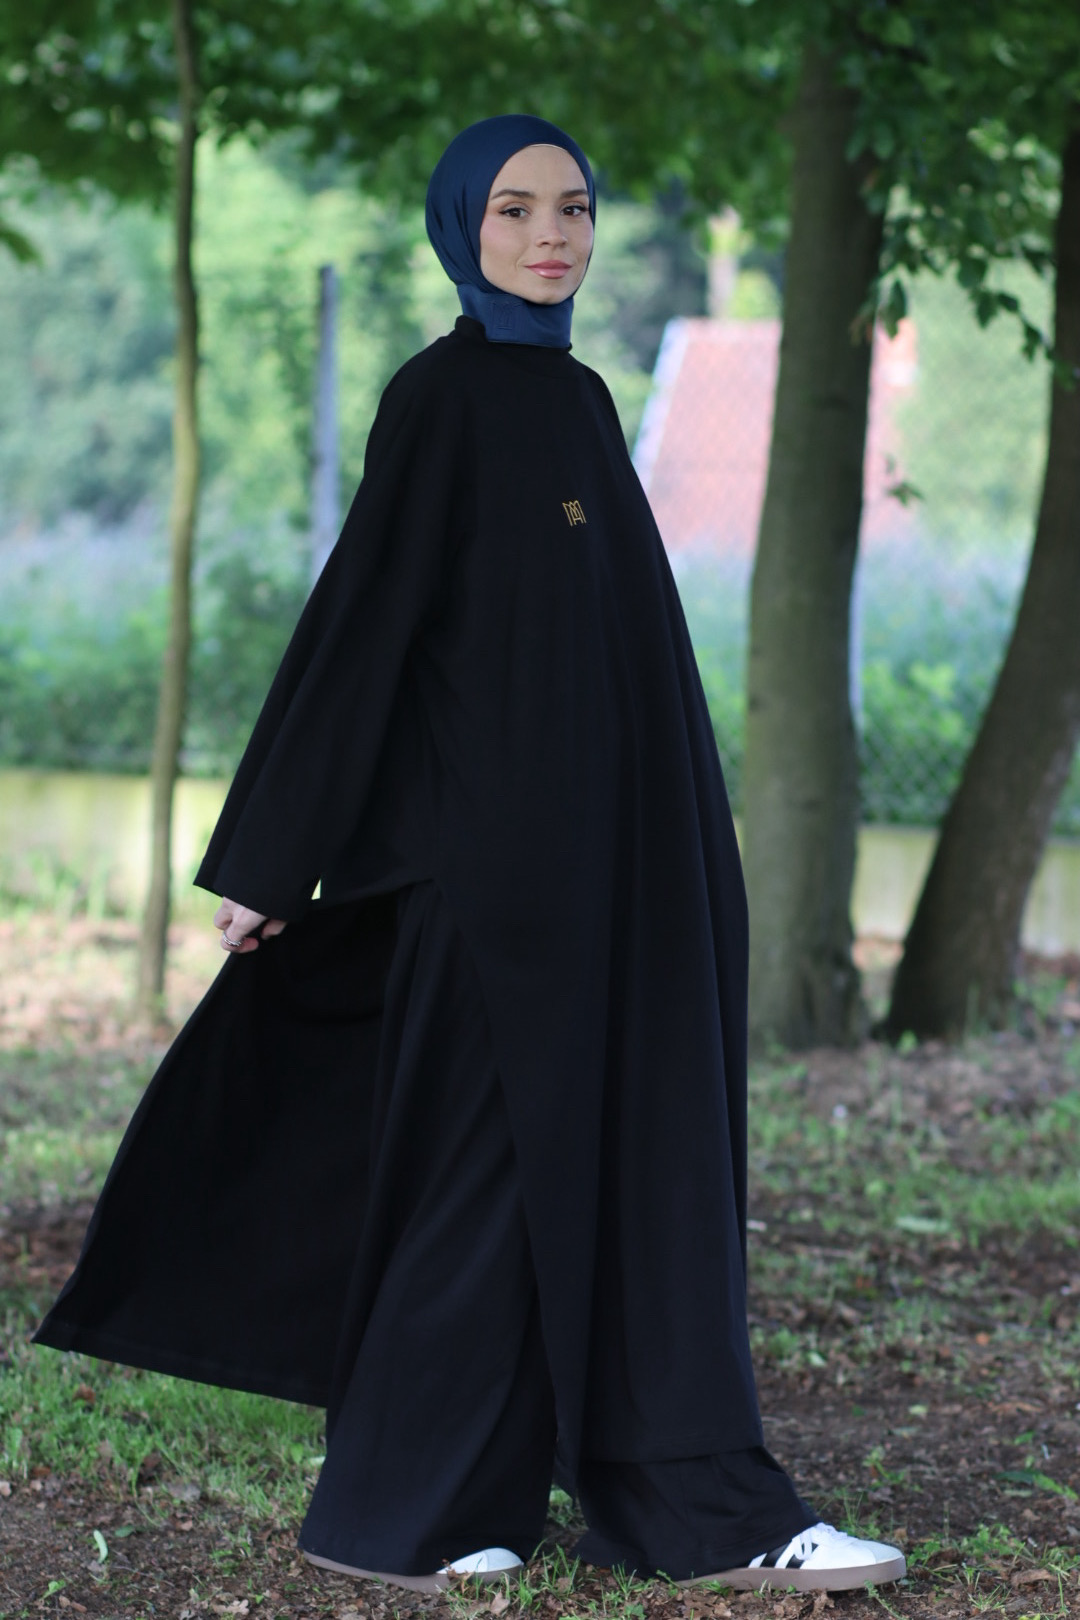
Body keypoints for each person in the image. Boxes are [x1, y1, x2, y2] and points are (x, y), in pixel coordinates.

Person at [35, 116, 905, 1595]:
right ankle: (412, 1511)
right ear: (460, 227)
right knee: (477, 1191)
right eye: (513, 210)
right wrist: (276, 857)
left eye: (574, 207)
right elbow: (364, 623)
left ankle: (638, 1501)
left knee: (632, 1183)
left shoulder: (579, 399)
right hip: (488, 895)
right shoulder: (438, 398)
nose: (551, 235)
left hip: (617, 884)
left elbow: (614, 659)